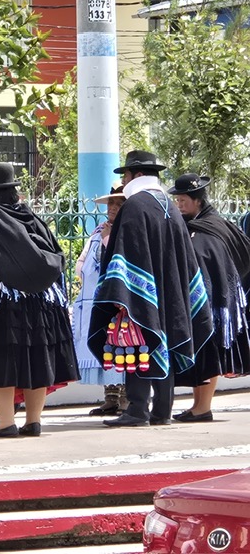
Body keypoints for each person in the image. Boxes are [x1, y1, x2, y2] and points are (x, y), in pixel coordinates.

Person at [0, 162, 80, 437]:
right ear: (14, 194)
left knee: (4, 363)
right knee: (36, 359)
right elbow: (56, 258)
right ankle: (33, 421)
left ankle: (5, 421)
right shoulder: (33, 220)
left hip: (3, 308)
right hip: (42, 304)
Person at [88, 150, 213, 427]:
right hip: (172, 294)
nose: (124, 181)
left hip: (141, 293)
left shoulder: (135, 206)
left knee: (138, 343)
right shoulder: (168, 206)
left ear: (138, 175)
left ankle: (137, 409)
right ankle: (162, 411)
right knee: (163, 343)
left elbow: (125, 253)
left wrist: (121, 293)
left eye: (127, 175)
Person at [168, 173, 250, 422]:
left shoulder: (209, 227)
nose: (179, 205)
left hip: (216, 302)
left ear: (197, 201)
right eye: (177, 201)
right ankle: (198, 405)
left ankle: (203, 408)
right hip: (212, 298)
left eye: (183, 200)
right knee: (203, 354)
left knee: (208, 353)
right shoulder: (202, 225)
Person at [73, 182, 127, 416]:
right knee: (102, 345)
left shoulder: (125, 232)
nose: (113, 208)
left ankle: (126, 396)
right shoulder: (99, 231)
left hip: (115, 301)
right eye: (111, 204)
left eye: (118, 204)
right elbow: (82, 264)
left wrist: (108, 239)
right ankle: (110, 396)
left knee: (121, 343)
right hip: (95, 299)